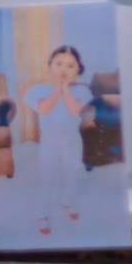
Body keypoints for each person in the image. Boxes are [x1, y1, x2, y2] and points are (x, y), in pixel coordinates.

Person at [24, 46, 93, 236]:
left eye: (70, 66)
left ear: (78, 70)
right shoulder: (37, 90)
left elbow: (75, 110)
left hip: (72, 138)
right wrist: (57, 90)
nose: (64, 69)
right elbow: (44, 109)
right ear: (50, 66)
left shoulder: (82, 90)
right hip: (49, 140)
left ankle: (68, 203)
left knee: (72, 172)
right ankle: (42, 214)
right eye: (59, 64)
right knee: (47, 175)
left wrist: (66, 89)